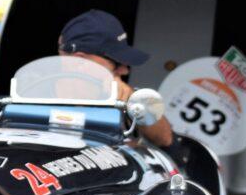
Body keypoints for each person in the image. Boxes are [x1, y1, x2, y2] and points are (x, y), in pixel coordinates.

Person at [58, 9, 174, 147]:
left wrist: (136, 102)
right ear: (80, 62)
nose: (125, 70)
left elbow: (166, 139)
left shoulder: (120, 98)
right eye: (116, 62)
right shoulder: (37, 94)